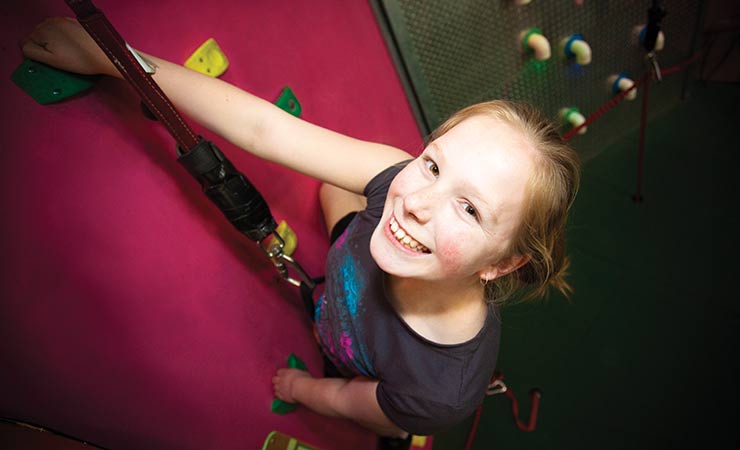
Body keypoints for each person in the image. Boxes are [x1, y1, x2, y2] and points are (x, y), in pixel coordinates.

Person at [22, 17, 580, 443]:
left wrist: (306, 389)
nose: (416, 203)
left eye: (470, 210)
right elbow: (267, 127)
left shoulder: (439, 392)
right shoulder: (396, 179)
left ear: (500, 264)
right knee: (333, 188)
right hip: (351, 267)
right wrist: (110, 56)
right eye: (433, 164)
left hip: (343, 350)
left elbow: (350, 401)